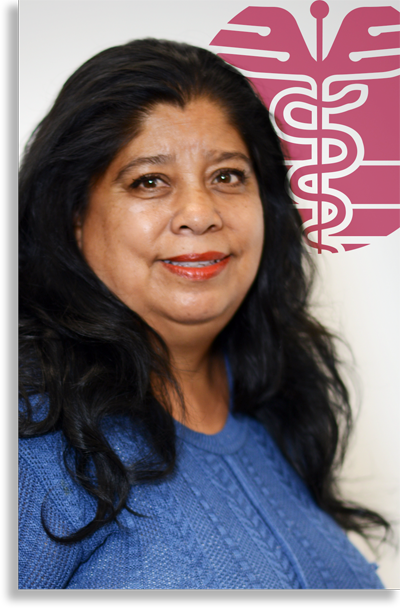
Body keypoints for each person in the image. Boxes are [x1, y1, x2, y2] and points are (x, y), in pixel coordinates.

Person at [18, 38, 389, 590]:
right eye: (149, 181)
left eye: (227, 176)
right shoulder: (34, 431)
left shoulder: (280, 409)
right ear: (74, 215)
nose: (199, 213)